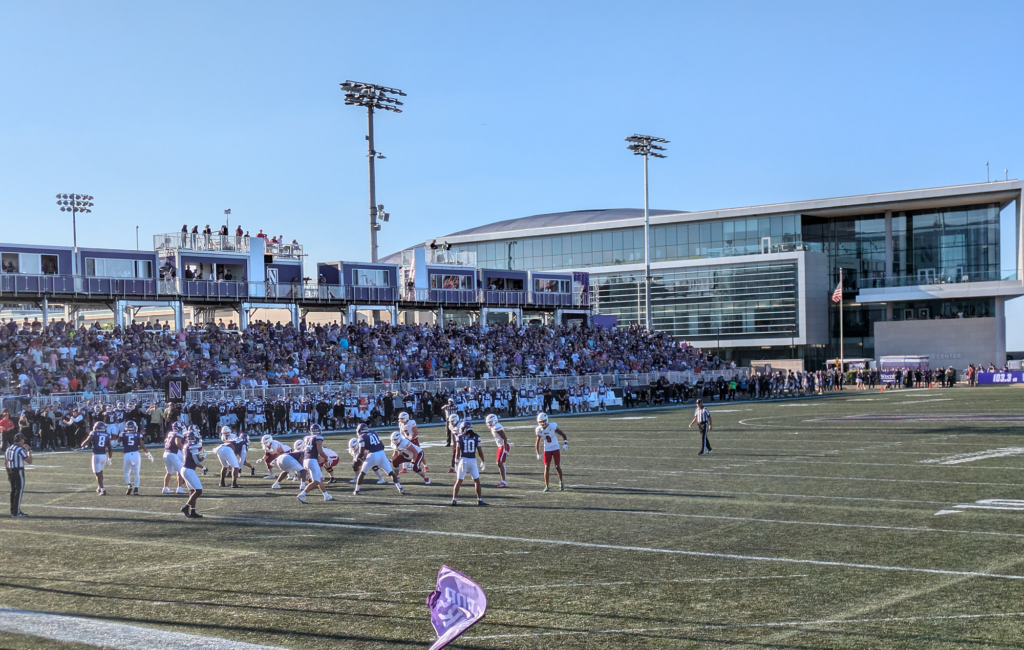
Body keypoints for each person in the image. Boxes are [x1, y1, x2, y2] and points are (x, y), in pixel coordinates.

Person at [352, 424, 405, 496]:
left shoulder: (362, 437)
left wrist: (358, 457)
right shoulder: (374, 433)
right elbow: (382, 446)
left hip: (372, 455)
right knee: (390, 473)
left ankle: (356, 490)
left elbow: (361, 452)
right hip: (381, 454)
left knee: (362, 473)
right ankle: (400, 488)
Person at [451, 420, 487, 506]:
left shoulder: (459, 437)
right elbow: (480, 451)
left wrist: (456, 463)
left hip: (463, 461)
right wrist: (483, 461)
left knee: (458, 481)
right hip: (472, 461)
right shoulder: (476, 437)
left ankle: (454, 499)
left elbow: (457, 453)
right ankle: (479, 499)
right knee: (476, 481)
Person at [296, 424, 334, 503]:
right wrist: (327, 458)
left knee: (320, 479)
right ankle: (302, 494)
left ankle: (326, 495)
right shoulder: (318, 438)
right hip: (312, 460)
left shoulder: (306, 438)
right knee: (316, 481)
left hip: (306, 460)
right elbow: (320, 451)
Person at [534, 412, 567, 492]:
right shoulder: (539, 430)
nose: (542, 423)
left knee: (557, 466)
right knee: (546, 467)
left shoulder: (552, 426)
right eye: (541, 422)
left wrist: (565, 443)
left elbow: (563, 434)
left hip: (555, 447)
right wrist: (537, 453)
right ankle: (546, 485)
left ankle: (561, 482)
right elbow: (537, 442)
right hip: (547, 449)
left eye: (543, 421)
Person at [120, 420, 153, 496]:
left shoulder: (123, 434)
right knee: (136, 473)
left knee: (126, 472)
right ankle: (136, 489)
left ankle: (129, 485)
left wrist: (110, 443)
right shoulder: (138, 435)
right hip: (136, 454)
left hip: (127, 454)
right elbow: (142, 446)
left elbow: (115, 443)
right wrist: (149, 454)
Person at [80, 422, 113, 496]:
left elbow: (86, 442)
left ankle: (102, 489)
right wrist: (109, 458)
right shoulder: (107, 435)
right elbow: (110, 449)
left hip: (96, 455)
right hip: (103, 455)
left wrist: (82, 445)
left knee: (97, 474)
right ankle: (99, 487)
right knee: (100, 472)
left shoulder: (94, 433)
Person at [179, 430, 206, 518]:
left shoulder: (187, 445)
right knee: (198, 490)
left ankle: (193, 511)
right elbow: (197, 461)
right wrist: (203, 457)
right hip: (188, 470)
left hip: (184, 469)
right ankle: (186, 507)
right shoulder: (193, 447)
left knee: (192, 491)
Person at [5, 433, 31, 517]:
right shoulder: (20, 450)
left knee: (13, 491)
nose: (24, 441)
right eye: (23, 439)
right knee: (18, 491)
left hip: (10, 470)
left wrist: (8, 474)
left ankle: (13, 510)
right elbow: (29, 461)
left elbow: (6, 462)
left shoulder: (9, 448)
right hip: (18, 471)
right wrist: (28, 451)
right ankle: (16, 512)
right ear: (20, 440)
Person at [485, 413, 511, 488]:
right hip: (500, 446)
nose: (489, 424)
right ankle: (503, 480)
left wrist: (506, 448)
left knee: (500, 462)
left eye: (490, 422)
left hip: (503, 446)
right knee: (500, 463)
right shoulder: (494, 427)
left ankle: (504, 481)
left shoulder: (497, 426)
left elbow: (504, 438)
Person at [162, 423, 186, 494]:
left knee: (169, 472)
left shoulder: (170, 433)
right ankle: (179, 488)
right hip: (172, 453)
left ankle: (165, 488)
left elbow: (165, 440)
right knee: (181, 471)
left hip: (166, 453)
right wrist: (184, 449)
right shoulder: (178, 434)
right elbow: (178, 443)